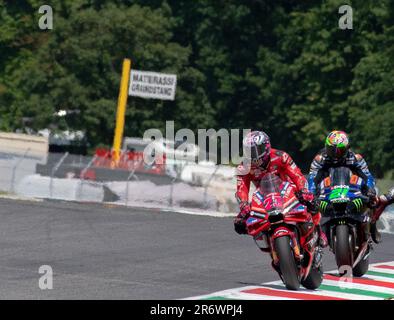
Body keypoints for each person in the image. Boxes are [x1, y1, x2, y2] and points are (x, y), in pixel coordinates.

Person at [233, 130, 327, 247]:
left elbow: (297, 175)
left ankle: (318, 229)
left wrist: (303, 191)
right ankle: (269, 239)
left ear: (267, 146)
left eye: (258, 150)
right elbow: (242, 188)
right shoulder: (244, 167)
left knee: (310, 201)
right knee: (241, 223)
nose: (255, 155)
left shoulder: (281, 156)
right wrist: (244, 204)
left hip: (289, 190)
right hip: (264, 196)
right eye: (251, 151)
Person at [308, 130, 381, 242]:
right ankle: (317, 232)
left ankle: (373, 225)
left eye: (340, 150)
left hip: (352, 187)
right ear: (326, 147)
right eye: (331, 150)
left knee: (374, 196)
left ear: (347, 147)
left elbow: (367, 176)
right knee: (309, 204)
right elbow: (312, 178)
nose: (335, 154)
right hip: (328, 188)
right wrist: (311, 193)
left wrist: (370, 188)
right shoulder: (320, 159)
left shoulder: (356, 158)